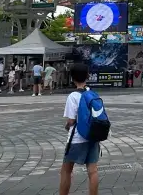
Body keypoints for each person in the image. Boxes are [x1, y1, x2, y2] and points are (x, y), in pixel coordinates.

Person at [59, 63, 99, 195]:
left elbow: (71, 120)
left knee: (66, 170)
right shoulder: (92, 94)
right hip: (93, 136)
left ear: (72, 78)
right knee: (93, 171)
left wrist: (66, 126)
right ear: (87, 76)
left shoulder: (73, 96)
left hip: (77, 138)